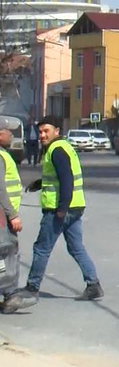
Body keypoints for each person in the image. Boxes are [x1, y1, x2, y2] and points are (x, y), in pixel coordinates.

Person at [3, 116, 102, 313]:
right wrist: (39, 184)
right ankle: (93, 285)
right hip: (75, 207)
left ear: (57, 130)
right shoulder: (62, 147)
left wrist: (61, 209)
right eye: (40, 132)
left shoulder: (57, 150)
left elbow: (67, 180)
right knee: (75, 247)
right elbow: (60, 176)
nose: (42, 135)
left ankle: (32, 288)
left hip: (60, 209)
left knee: (41, 248)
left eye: (46, 131)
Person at [0, 127, 23, 313]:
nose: (12, 137)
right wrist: (12, 214)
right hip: (3, 215)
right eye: (10, 133)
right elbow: (1, 189)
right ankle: (11, 295)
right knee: (8, 252)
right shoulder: (1, 156)